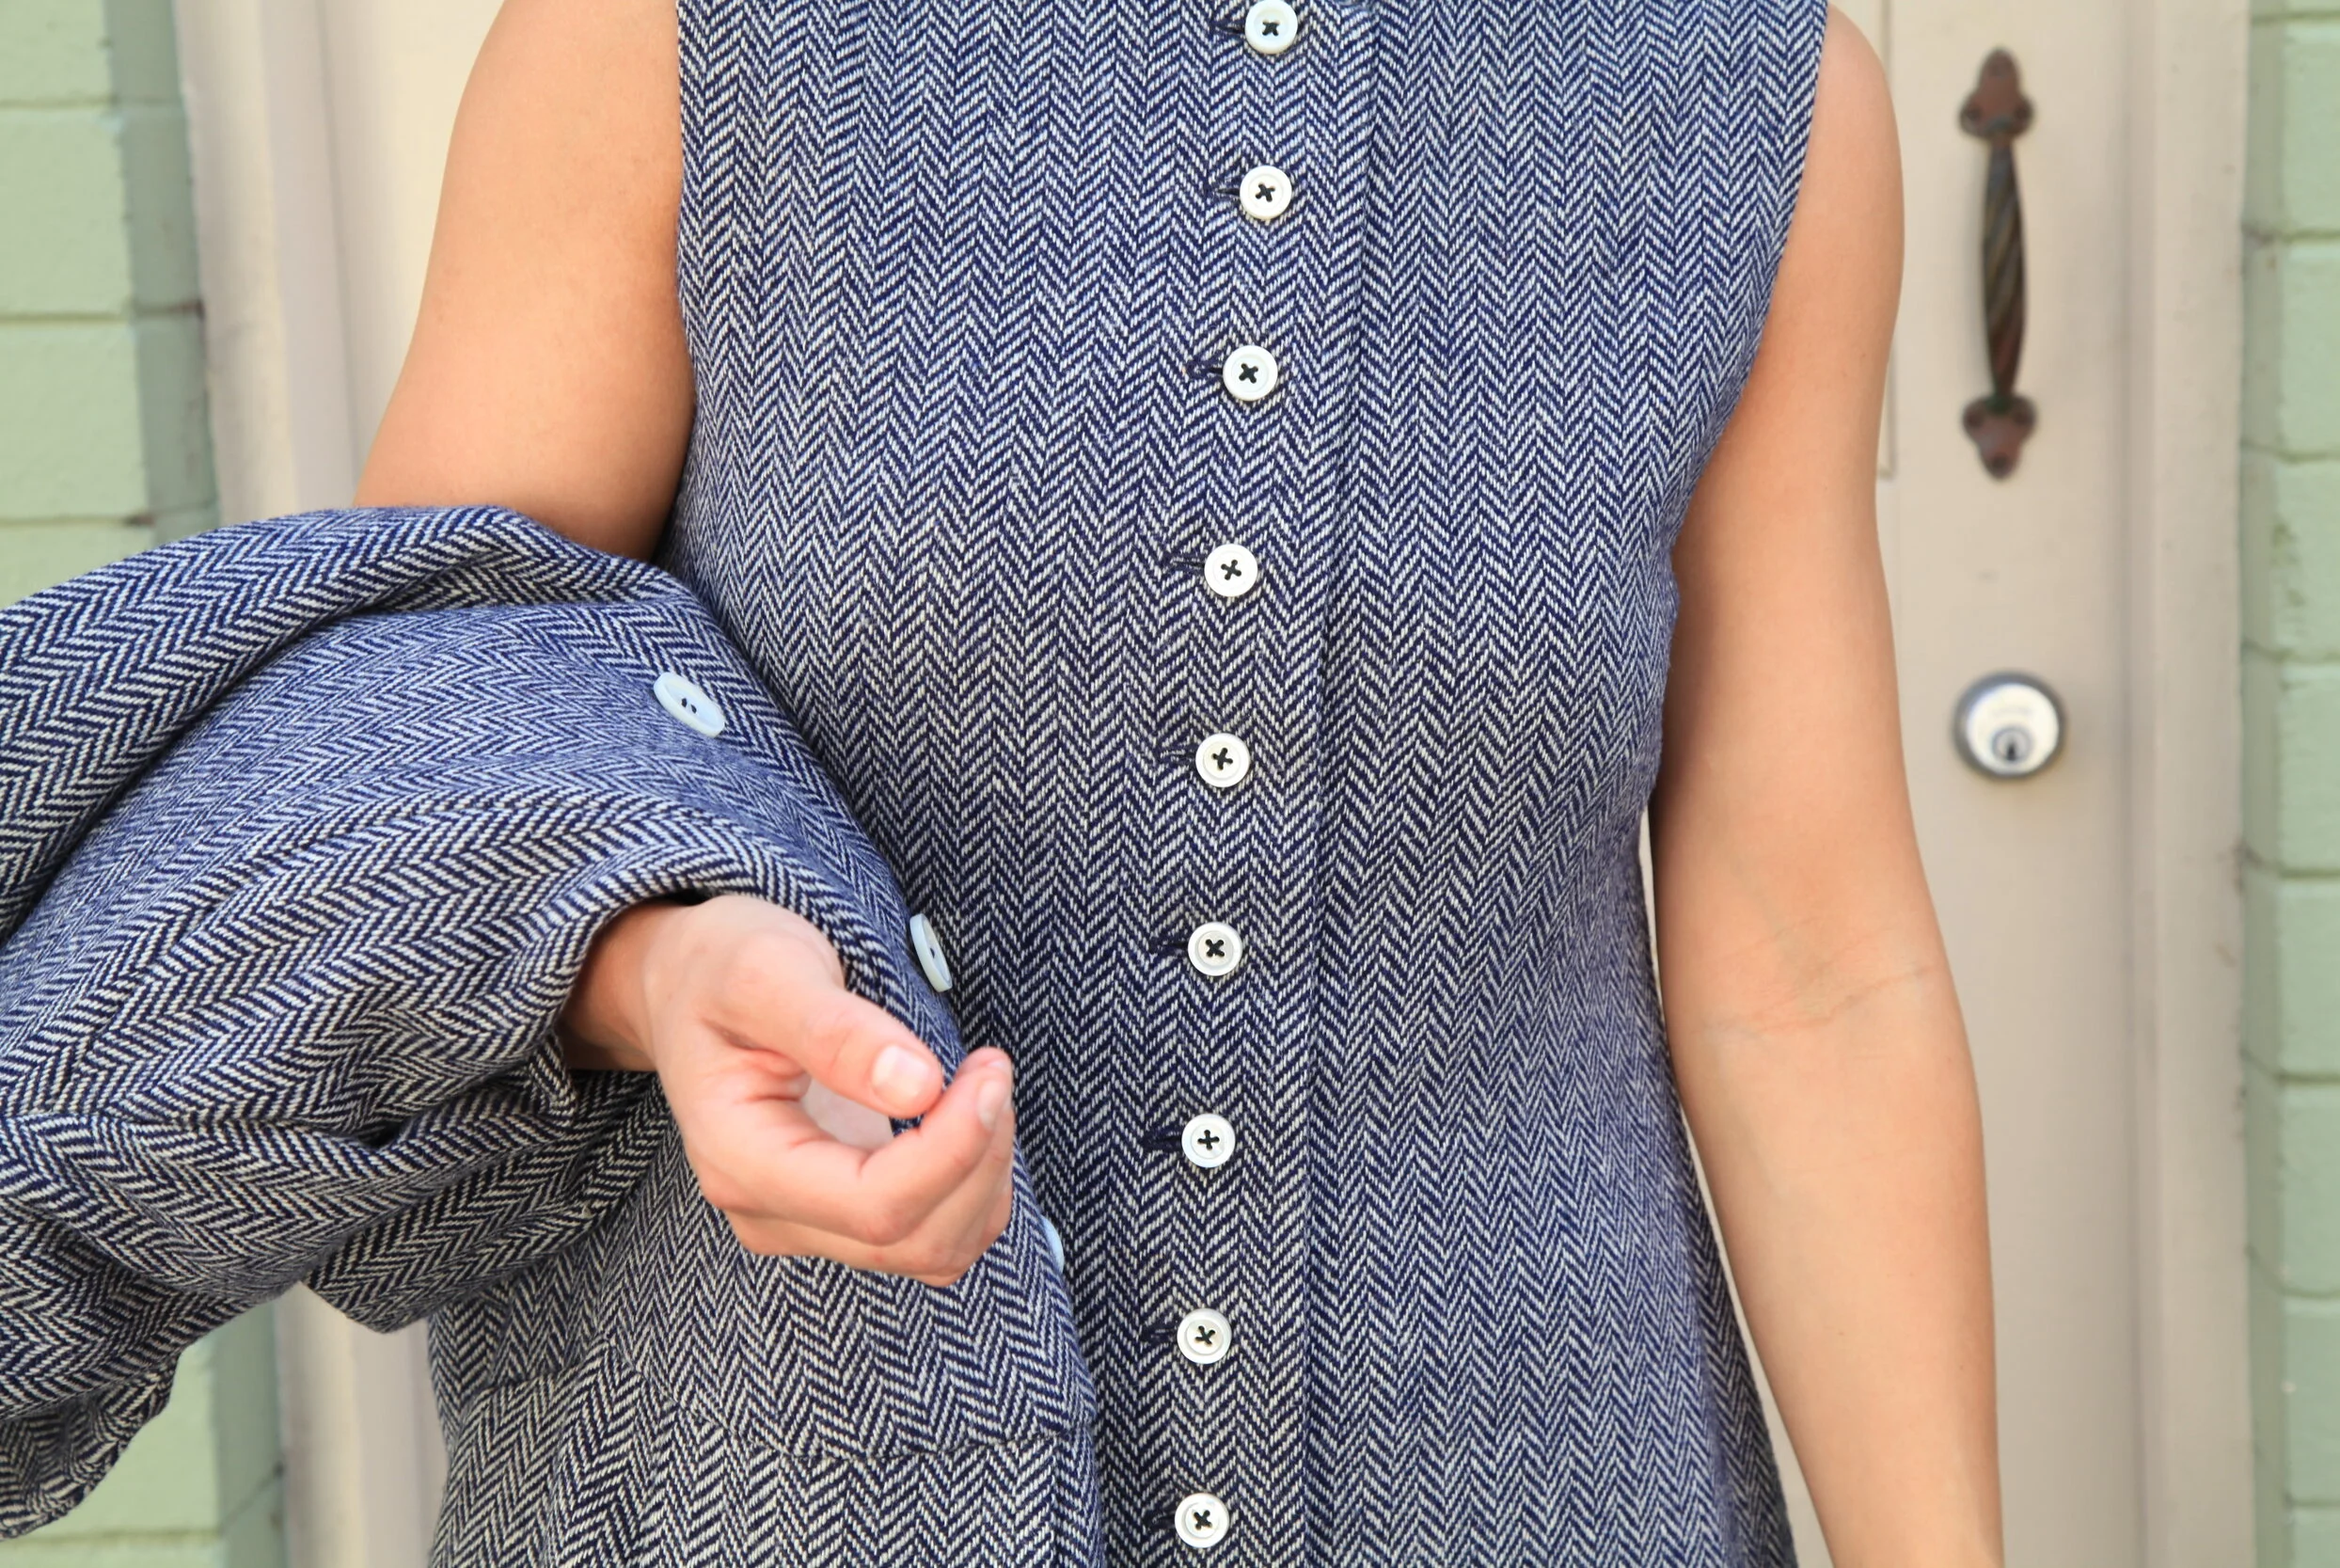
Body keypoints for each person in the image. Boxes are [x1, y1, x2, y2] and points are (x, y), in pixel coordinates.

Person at [10, 0, 2000, 1561]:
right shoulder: (673, 38)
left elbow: (1808, 967)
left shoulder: (1756, 100)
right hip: (773, 1474)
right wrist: (651, 963)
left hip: (1541, 1476)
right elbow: (420, 756)